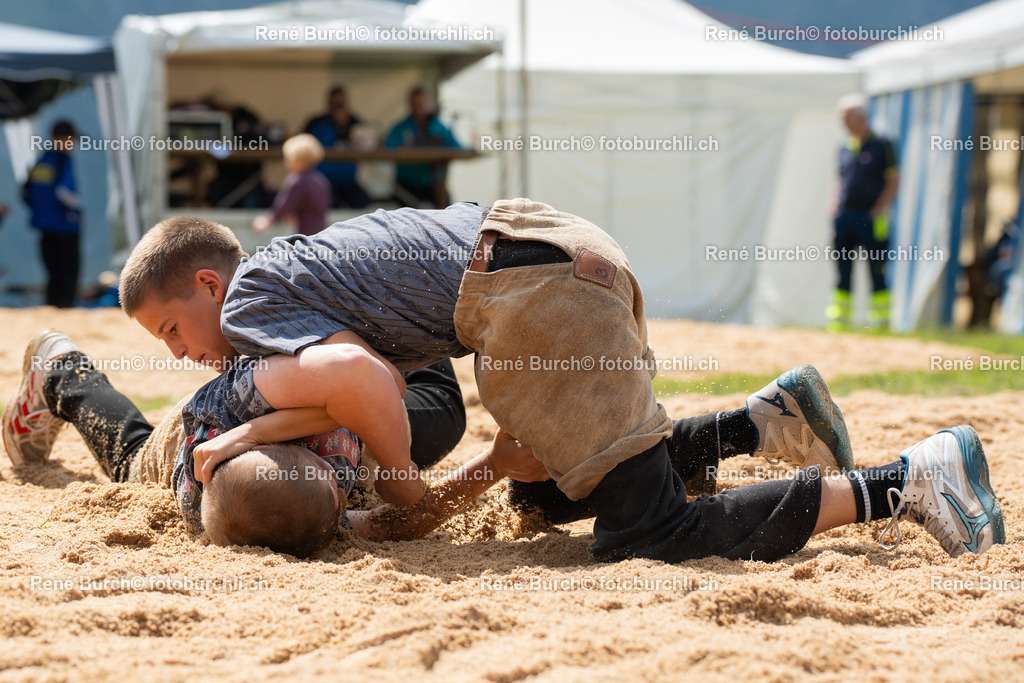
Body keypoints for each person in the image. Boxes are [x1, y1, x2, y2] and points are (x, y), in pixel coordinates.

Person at [117, 201, 1004, 562]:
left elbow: (357, 381)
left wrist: (402, 485)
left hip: (529, 294)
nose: (183, 352)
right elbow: (354, 377)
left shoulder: (247, 308)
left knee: (647, 534)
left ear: (206, 286)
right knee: (548, 495)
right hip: (546, 259)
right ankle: (765, 420)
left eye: (170, 329)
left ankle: (910, 480)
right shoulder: (289, 272)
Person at [1, 330, 475, 556]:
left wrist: (255, 430)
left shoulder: (197, 475)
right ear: (337, 501)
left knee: (129, 461)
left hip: (214, 418)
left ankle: (61, 370)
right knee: (443, 414)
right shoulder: (324, 506)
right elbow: (406, 520)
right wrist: (493, 462)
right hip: (298, 407)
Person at [827, 93, 900, 331]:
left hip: (871, 217)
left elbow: (893, 180)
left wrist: (878, 210)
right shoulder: (844, 146)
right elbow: (840, 179)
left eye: (847, 117)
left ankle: (879, 322)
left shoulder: (882, 144)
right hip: (845, 216)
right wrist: (835, 206)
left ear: (861, 116)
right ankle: (840, 319)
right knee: (843, 268)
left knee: (876, 268)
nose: (843, 122)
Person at [22, 120, 81, 308]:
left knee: (53, 275)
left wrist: (42, 213)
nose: (73, 144)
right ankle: (65, 313)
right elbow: (64, 192)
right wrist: (77, 210)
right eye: (71, 140)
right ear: (61, 139)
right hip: (65, 227)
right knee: (68, 275)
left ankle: (53, 310)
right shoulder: (62, 161)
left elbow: (25, 193)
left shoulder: (42, 161)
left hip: (45, 228)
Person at [384, 86, 461, 208]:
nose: (419, 106)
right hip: (407, 184)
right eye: (416, 103)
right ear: (409, 104)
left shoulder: (440, 128)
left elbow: (458, 147)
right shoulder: (401, 128)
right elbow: (388, 147)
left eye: (422, 102)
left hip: (433, 184)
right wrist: (401, 150)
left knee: (447, 205)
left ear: (429, 103)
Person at [304, 87, 371, 209]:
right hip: (323, 180)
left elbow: (368, 143)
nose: (338, 107)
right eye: (335, 104)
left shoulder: (355, 123)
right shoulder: (316, 123)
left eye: (341, 104)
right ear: (328, 103)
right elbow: (307, 145)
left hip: (348, 180)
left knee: (363, 201)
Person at [253, 134, 331, 236]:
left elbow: (284, 205)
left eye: (288, 158)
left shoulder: (297, 180)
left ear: (298, 159)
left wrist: (267, 221)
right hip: (321, 231)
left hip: (304, 234)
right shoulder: (320, 179)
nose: (286, 161)